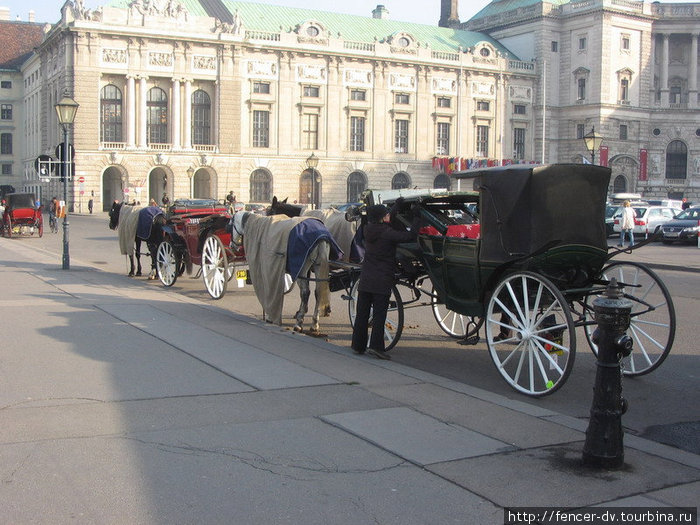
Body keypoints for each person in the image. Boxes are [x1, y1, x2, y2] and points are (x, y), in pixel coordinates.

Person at [351, 198, 418, 359]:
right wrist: (417, 218)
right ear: (382, 218)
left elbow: (387, 219)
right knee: (380, 315)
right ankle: (376, 347)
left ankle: (358, 345)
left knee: (362, 314)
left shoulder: (368, 229)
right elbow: (409, 236)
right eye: (386, 215)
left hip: (366, 278)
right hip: (382, 279)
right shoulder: (387, 233)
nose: (389, 216)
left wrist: (396, 207)